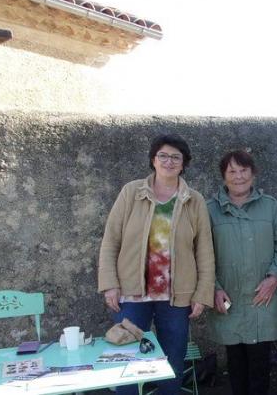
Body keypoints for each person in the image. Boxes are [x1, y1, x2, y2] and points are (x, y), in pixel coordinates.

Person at [98, 134, 215, 394]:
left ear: (183, 164)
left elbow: (204, 250)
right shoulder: (131, 192)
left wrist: (202, 294)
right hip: (131, 294)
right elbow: (110, 241)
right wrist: (109, 284)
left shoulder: (194, 200)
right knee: (126, 360)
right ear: (153, 159)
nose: (169, 161)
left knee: (172, 361)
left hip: (176, 297)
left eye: (176, 157)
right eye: (163, 155)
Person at [207, 150, 277, 395]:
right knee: (235, 362)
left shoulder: (270, 206)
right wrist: (214, 288)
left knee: (259, 363)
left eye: (243, 170)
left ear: (253, 174)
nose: (238, 176)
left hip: (261, 297)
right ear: (223, 177)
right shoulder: (209, 209)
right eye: (232, 171)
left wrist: (274, 278)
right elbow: (199, 253)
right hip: (228, 297)